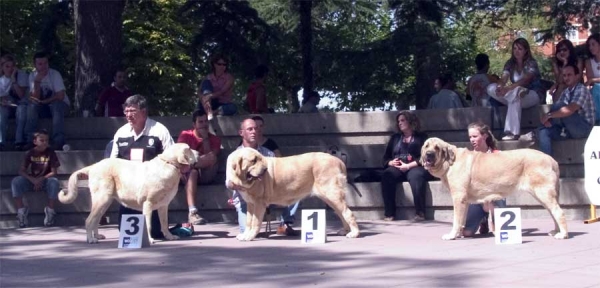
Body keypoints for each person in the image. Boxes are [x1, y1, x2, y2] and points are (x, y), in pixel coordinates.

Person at [110, 94, 174, 238]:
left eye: (132, 111)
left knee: (155, 233)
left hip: (154, 189)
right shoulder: (121, 133)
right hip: (129, 188)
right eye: (126, 111)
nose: (128, 115)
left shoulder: (160, 131)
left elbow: (172, 158)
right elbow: (112, 162)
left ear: (144, 111)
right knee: (128, 235)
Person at [229, 118, 298, 236]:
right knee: (244, 231)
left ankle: (285, 224)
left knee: (297, 188)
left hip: (270, 194)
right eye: (250, 129)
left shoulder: (269, 153)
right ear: (241, 133)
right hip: (245, 199)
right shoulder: (234, 156)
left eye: (256, 128)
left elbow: (278, 174)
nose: (254, 131)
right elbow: (228, 183)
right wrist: (241, 185)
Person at [251, 115, 299, 235]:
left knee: (297, 191)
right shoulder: (243, 146)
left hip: (273, 185)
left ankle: (285, 224)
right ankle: (252, 227)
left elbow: (280, 161)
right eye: (255, 127)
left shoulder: (270, 143)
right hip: (254, 189)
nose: (258, 129)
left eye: (261, 126)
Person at [487, 38, 542, 140]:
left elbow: (526, 79)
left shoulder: (531, 62)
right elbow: (504, 77)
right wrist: (500, 87)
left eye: (520, 49)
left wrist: (508, 88)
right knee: (491, 88)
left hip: (532, 94)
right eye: (515, 48)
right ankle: (511, 133)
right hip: (516, 95)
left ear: (526, 50)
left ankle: (512, 132)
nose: (516, 51)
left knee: (516, 92)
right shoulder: (510, 63)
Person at [380, 111, 432, 221]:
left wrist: (408, 166)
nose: (400, 123)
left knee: (416, 177)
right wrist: (391, 163)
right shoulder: (395, 138)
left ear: (410, 121)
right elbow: (385, 158)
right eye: (398, 121)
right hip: (397, 167)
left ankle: (420, 213)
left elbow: (426, 156)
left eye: (403, 120)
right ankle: (389, 214)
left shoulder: (422, 137)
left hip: (415, 166)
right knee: (387, 175)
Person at [534, 64, 595, 156]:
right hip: (567, 129)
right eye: (564, 75)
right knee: (544, 132)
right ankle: (548, 163)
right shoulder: (566, 92)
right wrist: (548, 119)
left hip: (584, 129)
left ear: (577, 76)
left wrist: (549, 116)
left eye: (569, 75)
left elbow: (570, 109)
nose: (566, 78)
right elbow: (557, 110)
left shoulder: (581, 89)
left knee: (560, 105)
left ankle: (536, 130)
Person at [177, 109, 221, 225]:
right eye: (200, 122)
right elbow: (180, 156)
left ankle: (193, 165)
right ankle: (192, 212)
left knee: (211, 158)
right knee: (192, 171)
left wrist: (205, 139)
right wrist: (195, 163)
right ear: (194, 124)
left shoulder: (214, 139)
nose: (204, 124)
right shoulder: (185, 135)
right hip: (187, 173)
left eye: (206, 121)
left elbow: (210, 159)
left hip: (207, 173)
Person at [462, 122, 506, 237]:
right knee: (466, 233)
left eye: (475, 136)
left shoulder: (498, 155)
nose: (472, 140)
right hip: (476, 198)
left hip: (495, 195)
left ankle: (493, 220)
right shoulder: (468, 156)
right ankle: (483, 219)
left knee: (499, 232)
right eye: (470, 137)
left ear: (485, 136)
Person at [11, 129, 61, 228]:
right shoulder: (30, 153)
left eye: (46, 140)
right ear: (35, 141)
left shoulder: (51, 152)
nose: (45, 143)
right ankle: (21, 211)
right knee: (16, 182)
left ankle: (50, 211)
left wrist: (41, 179)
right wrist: (32, 180)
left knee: (54, 182)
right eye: (42, 140)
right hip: (32, 180)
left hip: (45, 180)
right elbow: (21, 171)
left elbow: (54, 172)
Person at [26, 51, 70, 150]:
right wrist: (37, 82)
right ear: (35, 65)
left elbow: (60, 96)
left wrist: (46, 101)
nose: (43, 66)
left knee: (56, 105)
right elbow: (34, 98)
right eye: (40, 64)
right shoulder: (32, 76)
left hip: (61, 106)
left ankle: (58, 141)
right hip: (43, 107)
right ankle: (30, 141)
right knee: (32, 106)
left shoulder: (55, 74)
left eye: (45, 63)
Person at [0, 54, 28, 151]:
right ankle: (1, 142)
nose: (10, 69)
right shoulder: (1, 80)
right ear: (2, 67)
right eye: (7, 66)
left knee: (22, 110)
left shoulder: (21, 75)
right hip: (7, 106)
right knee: (1, 112)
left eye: (12, 66)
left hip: (21, 104)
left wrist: (13, 80)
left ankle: (19, 141)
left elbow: (21, 95)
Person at [198, 54, 237, 119]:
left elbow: (222, 91)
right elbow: (199, 91)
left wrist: (209, 96)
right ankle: (208, 110)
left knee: (233, 108)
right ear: (214, 64)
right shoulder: (208, 77)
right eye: (219, 64)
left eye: (224, 64)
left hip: (223, 104)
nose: (222, 66)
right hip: (210, 103)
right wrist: (203, 98)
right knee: (206, 83)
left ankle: (212, 113)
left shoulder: (229, 78)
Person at [549, 40, 584, 104]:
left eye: (564, 50)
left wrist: (556, 84)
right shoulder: (556, 63)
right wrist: (565, 63)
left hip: (576, 86)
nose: (562, 52)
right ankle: (558, 109)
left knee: (562, 86)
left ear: (570, 50)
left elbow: (577, 78)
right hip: (562, 87)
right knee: (561, 86)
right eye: (559, 50)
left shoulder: (578, 61)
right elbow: (559, 81)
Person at [584, 33, 600, 125]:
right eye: (589, 45)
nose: (591, 47)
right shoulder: (589, 61)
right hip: (596, 89)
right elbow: (590, 79)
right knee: (595, 90)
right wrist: (592, 80)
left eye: (593, 44)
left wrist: (593, 80)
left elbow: (591, 80)